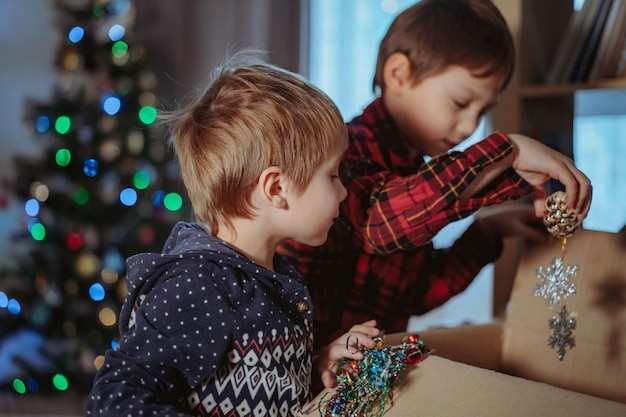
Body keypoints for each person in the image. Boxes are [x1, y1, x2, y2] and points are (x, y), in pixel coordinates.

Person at [277, 0, 593, 347]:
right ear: (399, 74)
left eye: (483, 111)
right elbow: (379, 224)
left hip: (362, 377)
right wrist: (508, 151)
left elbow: (418, 294)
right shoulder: (346, 153)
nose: (470, 126)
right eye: (460, 103)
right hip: (303, 377)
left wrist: (488, 231)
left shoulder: (418, 175)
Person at [85, 51, 381, 417]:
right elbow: (113, 400)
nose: (343, 191)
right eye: (333, 175)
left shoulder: (270, 276)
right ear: (276, 189)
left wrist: (317, 365)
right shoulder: (198, 285)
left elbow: (254, 385)